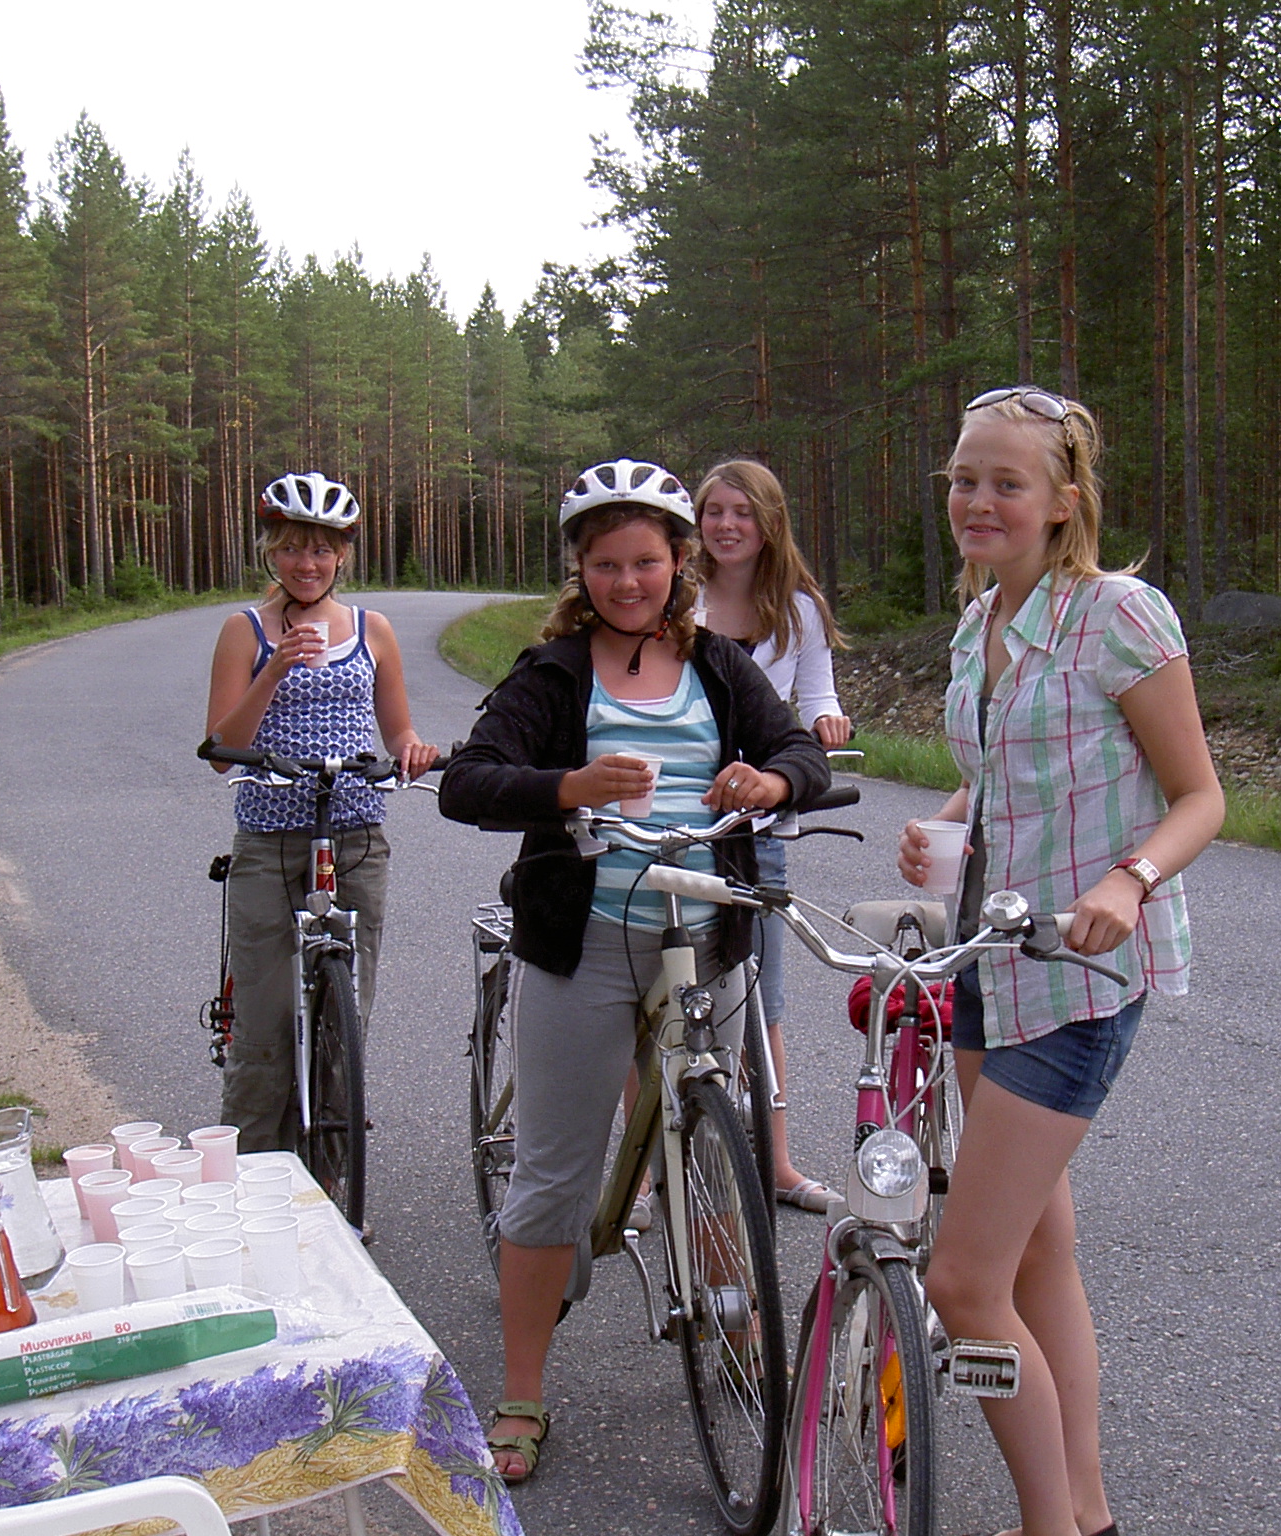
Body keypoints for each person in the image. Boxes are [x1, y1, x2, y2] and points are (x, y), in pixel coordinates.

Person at [438, 458, 830, 1485]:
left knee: (715, 1144)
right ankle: (521, 1393)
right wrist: (565, 785)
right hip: (586, 947)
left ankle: (739, 1337)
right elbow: (468, 780)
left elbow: (802, 751)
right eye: (606, 564)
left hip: (705, 936)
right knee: (554, 1175)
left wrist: (770, 775)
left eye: (646, 562)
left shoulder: (714, 665)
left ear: (677, 564)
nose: (627, 583)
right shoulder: (555, 672)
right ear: (580, 568)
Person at [897, 388, 1223, 1536]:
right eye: (962, 478)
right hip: (990, 956)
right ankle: (1082, 1504)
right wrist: (943, 822)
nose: (977, 500)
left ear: (1060, 503)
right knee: (1036, 1256)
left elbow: (1198, 795)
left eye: (1005, 482)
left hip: (1081, 975)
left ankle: (1055, 1526)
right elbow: (997, 776)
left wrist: (1126, 881)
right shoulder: (979, 619)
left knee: (959, 1284)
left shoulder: (1117, 616)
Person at [204, 471, 438, 1153]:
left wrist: (411, 751)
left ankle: (335, 1177)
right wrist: (272, 670)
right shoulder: (243, 630)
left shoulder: (373, 629)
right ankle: (250, 1181)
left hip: (356, 831)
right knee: (266, 1026)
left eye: (322, 551)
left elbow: (397, 732)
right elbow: (222, 750)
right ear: (270, 553)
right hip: (272, 836)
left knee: (345, 1019)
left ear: (342, 557)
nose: (307, 564)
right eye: (292, 548)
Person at [692, 458, 851, 1213]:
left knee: (763, 1000)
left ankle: (778, 1163)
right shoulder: (674, 597)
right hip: (679, 818)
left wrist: (824, 721)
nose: (727, 525)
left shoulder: (797, 610)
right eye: (714, 511)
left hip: (758, 825)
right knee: (656, 993)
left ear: (769, 523)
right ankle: (655, 1171)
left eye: (742, 513)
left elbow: (816, 694)